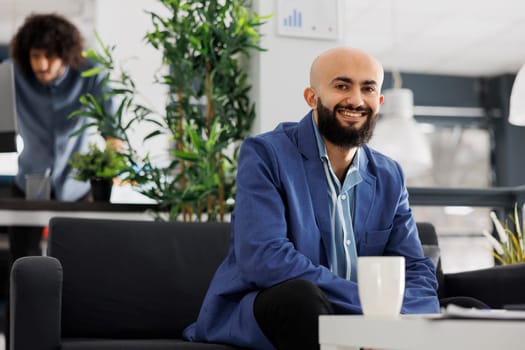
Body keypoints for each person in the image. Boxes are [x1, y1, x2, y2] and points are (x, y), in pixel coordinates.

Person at [183, 46, 440, 349]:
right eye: (342, 86)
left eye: (367, 89)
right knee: (301, 299)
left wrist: (404, 314)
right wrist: (367, 306)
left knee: (468, 307)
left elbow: (414, 266)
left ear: (379, 101)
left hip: (358, 315)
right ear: (311, 97)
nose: (356, 100)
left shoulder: (389, 174)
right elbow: (265, 259)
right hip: (279, 308)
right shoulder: (267, 154)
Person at [4, 12, 116, 340]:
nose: (42, 65)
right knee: (20, 272)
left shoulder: (92, 74)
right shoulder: (14, 76)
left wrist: (107, 171)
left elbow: (113, 133)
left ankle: (74, 340)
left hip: (78, 188)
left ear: (65, 55)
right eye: (35, 56)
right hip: (26, 186)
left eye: (50, 56)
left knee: (76, 272)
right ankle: (15, 340)